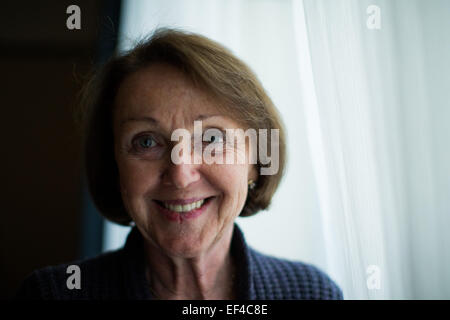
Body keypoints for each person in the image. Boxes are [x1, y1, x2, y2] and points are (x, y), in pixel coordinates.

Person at [16, 28, 343, 300]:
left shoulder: (311, 293)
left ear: (257, 161)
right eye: (146, 141)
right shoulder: (53, 295)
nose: (181, 175)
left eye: (212, 139)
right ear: (115, 166)